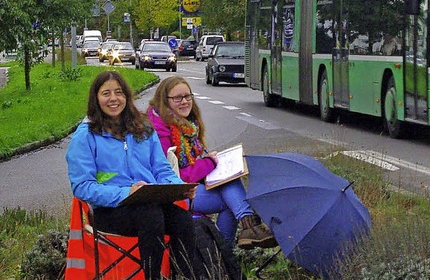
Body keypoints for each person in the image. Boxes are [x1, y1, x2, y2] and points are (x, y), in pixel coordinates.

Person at [66, 71, 197, 280]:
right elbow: (82, 186)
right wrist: (126, 192)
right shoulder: (86, 135)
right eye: (106, 93)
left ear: (126, 96)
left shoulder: (144, 127)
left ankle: (184, 276)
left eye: (119, 92)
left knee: (184, 220)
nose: (113, 99)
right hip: (109, 211)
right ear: (96, 98)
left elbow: (162, 169)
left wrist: (179, 186)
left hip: (150, 203)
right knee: (151, 216)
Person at [147, 76, 277, 250]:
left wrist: (211, 163)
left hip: (190, 188)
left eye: (188, 96)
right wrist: (209, 163)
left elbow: (193, 166)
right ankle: (231, 246)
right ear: (165, 101)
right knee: (229, 202)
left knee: (230, 181)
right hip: (173, 195)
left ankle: (231, 245)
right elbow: (176, 174)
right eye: (177, 98)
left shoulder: (188, 126)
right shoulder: (159, 131)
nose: (184, 101)